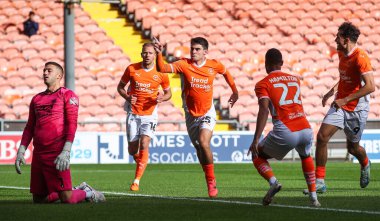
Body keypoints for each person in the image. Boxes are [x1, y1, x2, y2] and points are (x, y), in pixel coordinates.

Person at [154, 36, 239, 198]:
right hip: (191, 114)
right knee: (199, 148)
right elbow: (163, 68)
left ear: (205, 52)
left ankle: (211, 181)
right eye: (192, 49)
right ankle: (208, 176)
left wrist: (235, 91)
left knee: (203, 142)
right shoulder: (183, 64)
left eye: (197, 49)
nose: (193, 51)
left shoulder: (214, 65)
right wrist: (159, 53)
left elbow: (226, 72)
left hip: (207, 112)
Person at [15, 61, 105, 203]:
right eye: (44, 70)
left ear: (59, 76)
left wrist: (66, 151)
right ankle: (75, 190)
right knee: (39, 200)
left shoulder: (68, 95)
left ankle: (87, 193)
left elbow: (71, 124)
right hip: (38, 153)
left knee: (67, 199)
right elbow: (29, 127)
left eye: (49, 70)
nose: (44, 73)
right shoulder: (36, 98)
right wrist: (21, 150)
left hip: (57, 152)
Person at [248, 48, 320, 207]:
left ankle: (274, 182)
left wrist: (256, 139)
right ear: (282, 63)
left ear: (266, 65)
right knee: (306, 157)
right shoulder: (295, 79)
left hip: (286, 130)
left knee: (257, 155)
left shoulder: (262, 84)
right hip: (305, 128)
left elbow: (264, 110)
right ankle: (314, 198)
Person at [313, 22, 375, 193]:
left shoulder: (361, 57)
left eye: (337, 37)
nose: (335, 40)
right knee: (322, 136)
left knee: (352, 148)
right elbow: (344, 78)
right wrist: (330, 92)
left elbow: (370, 86)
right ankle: (319, 182)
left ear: (346, 39)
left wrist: (346, 99)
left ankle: (365, 163)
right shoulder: (341, 53)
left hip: (356, 109)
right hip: (340, 104)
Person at [117, 43, 172, 191]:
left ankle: (136, 181)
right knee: (132, 149)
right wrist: (128, 97)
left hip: (150, 114)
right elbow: (120, 87)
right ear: (141, 54)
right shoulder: (132, 69)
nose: (147, 55)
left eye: (150, 53)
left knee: (144, 143)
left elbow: (169, 93)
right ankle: (140, 161)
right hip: (133, 113)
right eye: (145, 53)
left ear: (155, 55)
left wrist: (162, 98)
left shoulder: (161, 72)